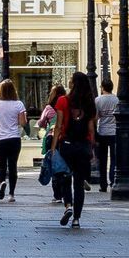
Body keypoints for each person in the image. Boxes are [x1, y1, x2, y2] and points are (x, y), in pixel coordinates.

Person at [52, 71, 96, 228]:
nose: (69, 82)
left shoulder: (63, 101)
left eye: (71, 80)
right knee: (79, 183)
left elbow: (58, 126)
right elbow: (91, 129)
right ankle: (76, 219)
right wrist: (92, 148)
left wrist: (53, 147)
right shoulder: (89, 103)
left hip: (67, 145)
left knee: (64, 177)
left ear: (74, 83)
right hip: (83, 146)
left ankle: (68, 205)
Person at [0, 79, 28, 203]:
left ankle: (3, 181)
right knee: (13, 166)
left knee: (1, 165)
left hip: (0, 138)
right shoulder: (19, 104)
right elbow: (23, 123)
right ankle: (11, 194)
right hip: (14, 138)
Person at [38, 85, 67, 204]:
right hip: (64, 137)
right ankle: (66, 192)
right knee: (64, 164)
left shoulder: (49, 108)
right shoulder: (66, 104)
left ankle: (57, 195)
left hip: (51, 137)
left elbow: (40, 123)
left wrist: (48, 123)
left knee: (54, 165)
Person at [94, 79, 118, 193]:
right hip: (114, 132)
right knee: (114, 159)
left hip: (102, 132)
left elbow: (95, 117)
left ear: (103, 87)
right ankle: (113, 181)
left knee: (102, 160)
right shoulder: (117, 100)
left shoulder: (98, 100)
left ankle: (103, 184)